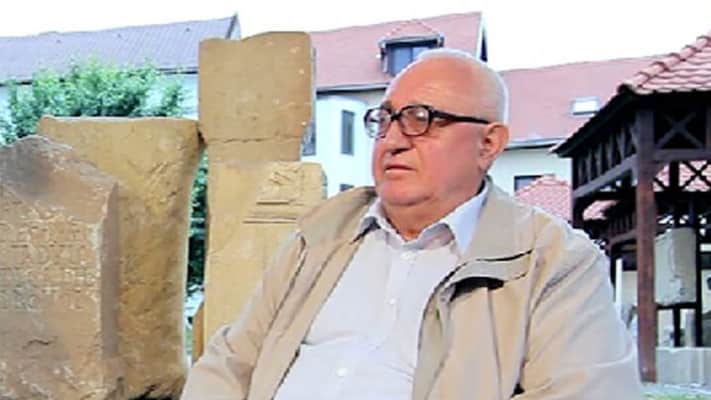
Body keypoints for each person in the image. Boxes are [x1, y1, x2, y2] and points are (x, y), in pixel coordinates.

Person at [182, 48, 644, 399]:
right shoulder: (320, 235)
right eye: (384, 120)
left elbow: (587, 391)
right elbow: (231, 361)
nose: (393, 140)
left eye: (422, 119)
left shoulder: (551, 261)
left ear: (488, 145)